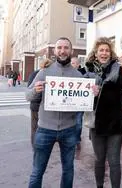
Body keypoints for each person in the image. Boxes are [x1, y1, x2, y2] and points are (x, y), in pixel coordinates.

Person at [26, 37, 83, 188]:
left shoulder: (78, 76)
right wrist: (35, 91)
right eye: (59, 48)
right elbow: (28, 95)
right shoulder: (44, 72)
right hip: (45, 129)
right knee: (37, 171)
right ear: (54, 50)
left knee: (68, 170)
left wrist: (92, 94)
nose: (62, 51)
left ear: (71, 51)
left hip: (69, 129)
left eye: (66, 48)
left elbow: (85, 103)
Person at [85, 37, 122, 188]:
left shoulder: (117, 67)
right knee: (99, 159)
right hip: (96, 123)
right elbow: (81, 96)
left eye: (107, 50)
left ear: (111, 53)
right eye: (101, 50)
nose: (104, 53)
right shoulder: (88, 70)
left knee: (114, 161)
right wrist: (90, 92)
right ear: (96, 53)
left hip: (115, 123)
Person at [27, 58, 53, 149]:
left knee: (34, 127)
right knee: (42, 128)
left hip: (34, 105)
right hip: (41, 105)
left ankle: (35, 145)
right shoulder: (46, 74)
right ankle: (39, 146)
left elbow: (28, 88)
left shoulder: (34, 73)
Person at [71, 56, 86, 159]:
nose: (72, 65)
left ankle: (77, 140)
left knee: (78, 123)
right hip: (69, 104)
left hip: (79, 105)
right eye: (71, 63)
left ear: (78, 65)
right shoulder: (65, 74)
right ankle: (71, 140)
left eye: (74, 63)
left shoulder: (82, 76)